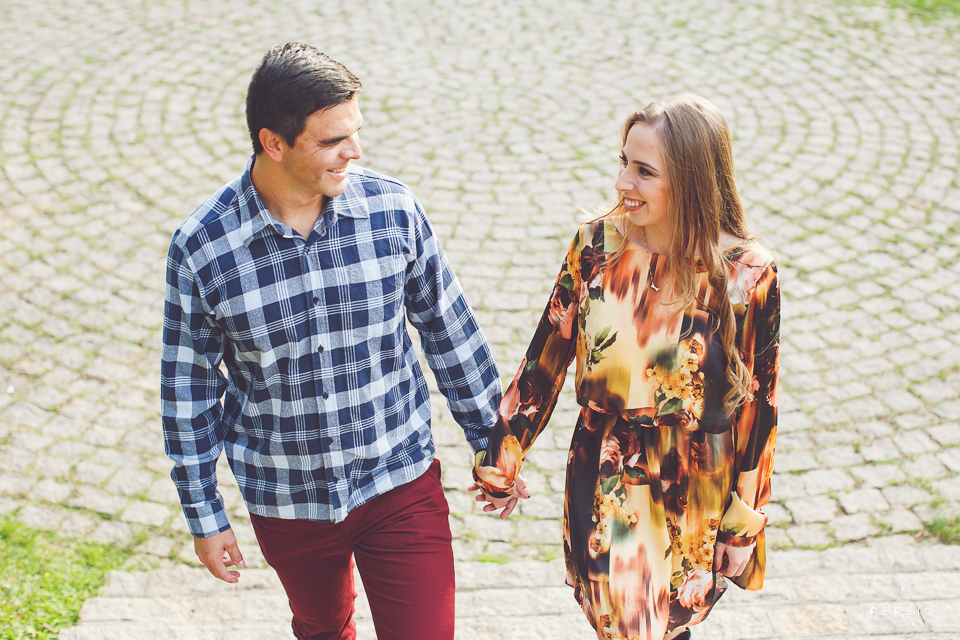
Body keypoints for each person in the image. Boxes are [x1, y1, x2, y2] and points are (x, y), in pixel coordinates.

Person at [161, 42, 507, 640]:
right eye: (331, 141)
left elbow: (448, 329)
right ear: (274, 142)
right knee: (322, 629)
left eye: (356, 132)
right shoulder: (203, 248)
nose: (355, 151)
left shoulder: (392, 211)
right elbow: (188, 391)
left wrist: (493, 441)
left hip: (398, 479)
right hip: (287, 497)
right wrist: (204, 514)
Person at [471, 94, 780, 640]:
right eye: (623, 162)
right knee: (627, 625)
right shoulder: (596, 246)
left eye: (644, 171)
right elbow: (543, 363)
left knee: (660, 629)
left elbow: (759, 407)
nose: (622, 183)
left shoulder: (745, 275)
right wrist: (503, 455)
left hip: (694, 491)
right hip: (605, 472)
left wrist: (745, 522)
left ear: (689, 180)